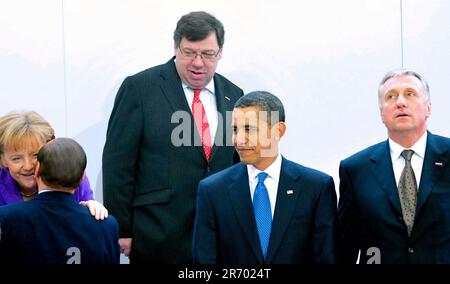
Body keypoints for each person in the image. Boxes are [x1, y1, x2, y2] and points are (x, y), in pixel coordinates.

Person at [102, 11, 244, 263]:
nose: (198, 62)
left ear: (220, 52)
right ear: (175, 48)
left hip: (218, 238)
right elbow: (118, 164)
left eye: (207, 54)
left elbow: (236, 165)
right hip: (157, 236)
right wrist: (122, 228)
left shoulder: (234, 94)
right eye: (189, 52)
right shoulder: (139, 88)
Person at [192, 91, 337, 264]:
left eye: (249, 129)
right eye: (235, 129)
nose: (238, 140)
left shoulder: (316, 188)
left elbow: (326, 258)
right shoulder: (213, 191)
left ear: (278, 131)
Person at [338, 69, 450, 264]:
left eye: (410, 94)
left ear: (428, 107)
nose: (400, 102)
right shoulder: (355, 169)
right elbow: (344, 247)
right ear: (382, 113)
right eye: (391, 96)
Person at [0, 138, 119, 264]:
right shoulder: (106, 225)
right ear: (82, 176)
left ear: (37, 170)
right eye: (17, 158)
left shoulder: (6, 218)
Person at [0, 111, 107, 219]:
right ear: (3, 159)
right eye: (17, 159)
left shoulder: (69, 176)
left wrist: (91, 209)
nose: (28, 166)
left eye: (35, 155)